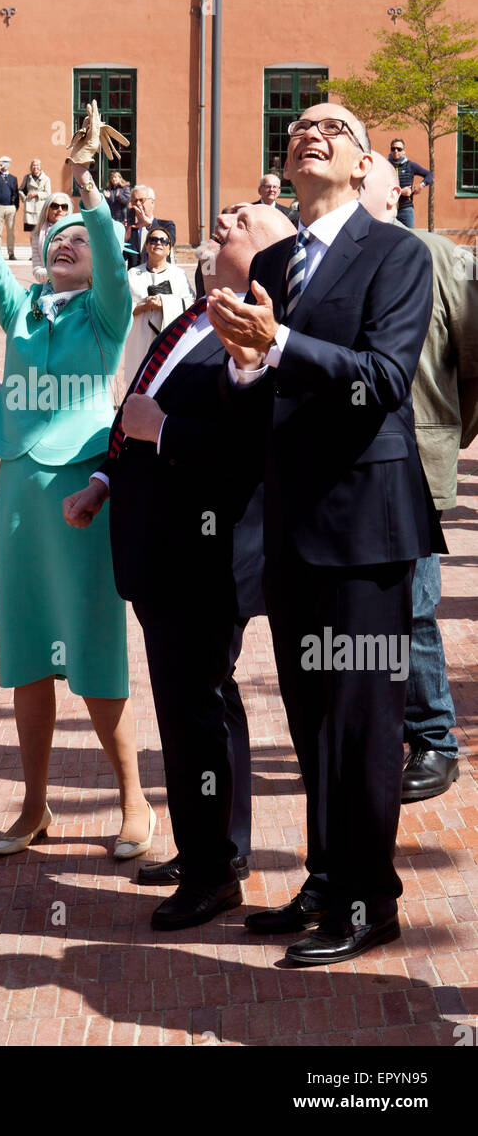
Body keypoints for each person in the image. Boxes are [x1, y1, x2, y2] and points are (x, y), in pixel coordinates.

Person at [207, 103, 441, 965]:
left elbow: (380, 380)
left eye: (333, 128)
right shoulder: (271, 260)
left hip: (365, 529)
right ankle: (324, 875)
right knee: (309, 717)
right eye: (300, 124)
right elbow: (255, 390)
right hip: (290, 525)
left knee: (361, 717)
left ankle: (368, 897)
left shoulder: (396, 253)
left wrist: (280, 345)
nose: (311, 132)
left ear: (361, 162)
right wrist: (243, 366)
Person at [64, 202, 295, 927]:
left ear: (273, 250)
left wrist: (162, 434)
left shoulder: (256, 324)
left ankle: (210, 873)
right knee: (202, 708)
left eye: (245, 218)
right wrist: (105, 481)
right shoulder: (197, 312)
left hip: (203, 555)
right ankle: (216, 847)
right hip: (154, 544)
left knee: (193, 712)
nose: (224, 218)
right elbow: (136, 406)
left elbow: (249, 445)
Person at [0, 95, 153, 860]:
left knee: (94, 646)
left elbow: (103, 241)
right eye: (54, 234)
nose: (64, 241)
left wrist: (87, 189)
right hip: (17, 493)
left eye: (78, 238)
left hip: (82, 493)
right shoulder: (26, 309)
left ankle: (134, 801)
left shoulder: (106, 313)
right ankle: (33, 807)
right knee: (29, 649)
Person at [361, 151, 478, 802]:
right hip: (349, 471)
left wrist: (447, 433)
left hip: (413, 464)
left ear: (391, 193)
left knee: (414, 608)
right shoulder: (328, 262)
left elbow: (474, 355)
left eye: (363, 182)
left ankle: (435, 740)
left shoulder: (439, 258)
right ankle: (390, 734)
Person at [123, 226, 193, 381]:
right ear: (147, 246)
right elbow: (121, 308)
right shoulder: (133, 274)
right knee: (137, 381)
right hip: (138, 340)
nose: (158, 243)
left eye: (164, 241)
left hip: (168, 339)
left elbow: (190, 304)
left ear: (169, 249)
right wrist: (144, 307)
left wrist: (165, 303)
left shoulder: (178, 275)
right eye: (153, 240)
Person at [123, 185, 177, 270]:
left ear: (152, 203)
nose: (138, 204)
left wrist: (149, 225)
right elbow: (121, 258)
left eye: (141, 200)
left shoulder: (167, 225)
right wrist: (123, 240)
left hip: (160, 277)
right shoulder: (130, 230)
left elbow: (169, 243)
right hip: (136, 278)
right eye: (134, 201)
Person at [387, 137, 433, 228]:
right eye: (393, 149)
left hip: (406, 210)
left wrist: (422, 185)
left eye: (399, 149)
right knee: (390, 239)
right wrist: (401, 191)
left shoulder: (410, 165)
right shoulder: (385, 165)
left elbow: (430, 175)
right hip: (389, 209)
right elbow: (380, 187)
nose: (396, 151)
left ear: (404, 151)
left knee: (410, 238)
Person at [30, 193, 73, 282]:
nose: (60, 210)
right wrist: (54, 275)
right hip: (48, 285)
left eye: (64, 207)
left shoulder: (75, 233)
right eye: (55, 206)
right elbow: (37, 269)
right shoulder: (37, 235)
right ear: (47, 209)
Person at [19, 159, 51, 233]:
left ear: (40, 167)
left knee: (41, 231)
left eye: (37, 165)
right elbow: (20, 190)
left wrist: (37, 194)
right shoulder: (27, 177)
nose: (35, 167)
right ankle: (33, 245)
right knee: (31, 232)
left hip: (40, 207)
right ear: (31, 167)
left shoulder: (46, 179)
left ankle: (40, 244)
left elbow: (48, 194)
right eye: (33, 165)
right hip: (29, 207)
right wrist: (24, 197)